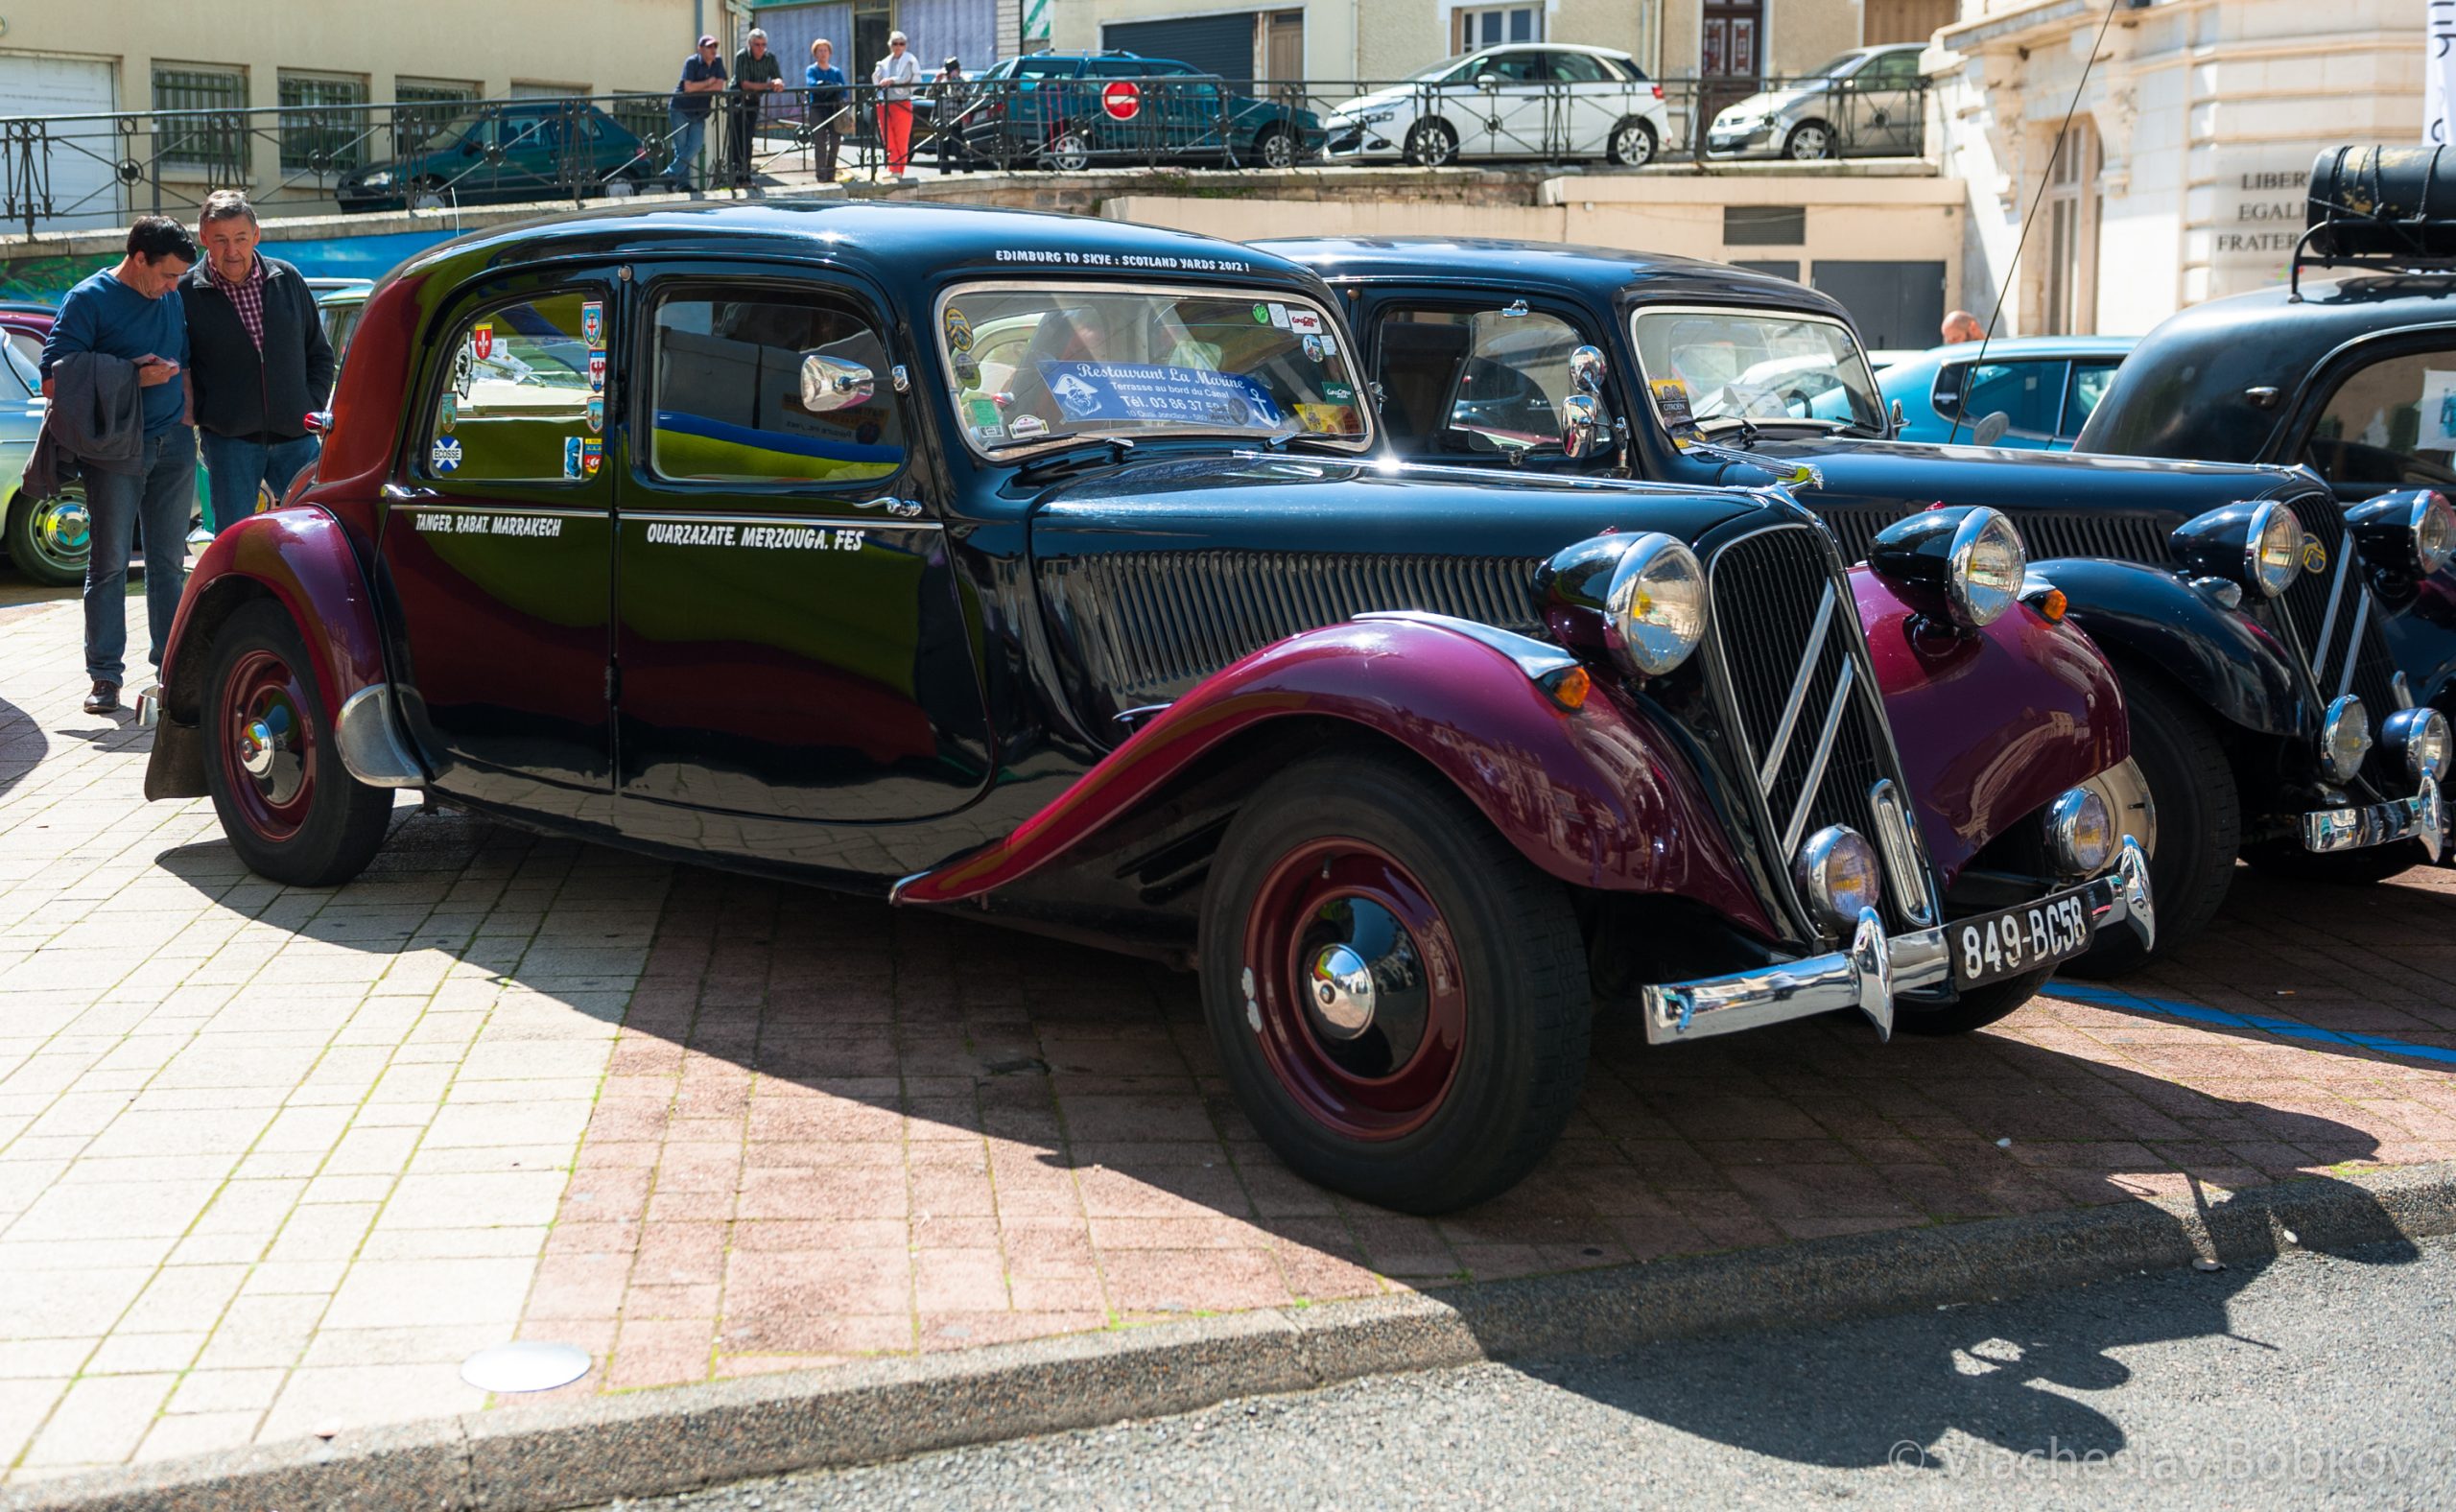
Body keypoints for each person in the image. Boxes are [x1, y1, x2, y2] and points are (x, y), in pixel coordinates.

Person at [38, 216, 196, 717]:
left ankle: (171, 670)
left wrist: (187, 421)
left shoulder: (169, 294)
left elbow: (184, 363)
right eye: (167, 275)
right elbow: (53, 381)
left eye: (179, 277)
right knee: (108, 564)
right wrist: (131, 377)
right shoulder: (88, 299)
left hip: (174, 443)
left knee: (169, 563)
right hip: (115, 451)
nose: (174, 286)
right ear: (138, 258)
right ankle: (105, 676)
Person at [179, 191, 334, 539]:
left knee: (318, 531)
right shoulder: (186, 292)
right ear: (204, 238)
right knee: (234, 540)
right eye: (220, 240)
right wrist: (208, 415)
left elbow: (320, 354)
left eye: (240, 238)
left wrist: (308, 405)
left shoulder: (287, 278)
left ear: (256, 235)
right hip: (229, 443)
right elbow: (181, 365)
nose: (232, 250)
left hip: (297, 438)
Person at [669, 35, 728, 191]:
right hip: (680, 108)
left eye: (715, 46)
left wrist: (699, 86)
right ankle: (683, 185)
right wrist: (708, 82)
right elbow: (688, 88)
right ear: (700, 49)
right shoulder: (692, 62)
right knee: (682, 148)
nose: (713, 49)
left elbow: (719, 87)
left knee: (695, 146)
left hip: (699, 112)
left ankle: (670, 173)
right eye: (709, 46)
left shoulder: (718, 62)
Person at [728, 27, 787, 188]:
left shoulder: (769, 57)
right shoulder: (742, 56)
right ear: (749, 44)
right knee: (737, 139)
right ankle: (736, 179)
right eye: (757, 44)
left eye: (763, 44)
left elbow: (777, 76)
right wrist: (768, 85)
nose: (761, 48)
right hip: (737, 99)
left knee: (748, 138)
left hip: (754, 100)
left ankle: (746, 177)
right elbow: (744, 84)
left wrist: (778, 82)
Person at [873, 30, 922, 178]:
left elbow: (906, 77)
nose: (898, 46)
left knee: (901, 139)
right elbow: (877, 78)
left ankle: (899, 171)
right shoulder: (884, 62)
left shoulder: (910, 60)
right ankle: (893, 168)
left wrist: (891, 80)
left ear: (905, 45)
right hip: (884, 103)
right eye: (895, 43)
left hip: (902, 103)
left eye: (901, 43)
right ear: (890, 45)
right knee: (887, 138)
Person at [805, 37, 847, 181]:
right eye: (820, 51)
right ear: (815, 53)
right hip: (817, 108)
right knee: (820, 142)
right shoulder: (812, 69)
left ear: (830, 53)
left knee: (835, 141)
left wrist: (826, 86)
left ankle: (831, 173)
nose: (823, 54)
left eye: (825, 50)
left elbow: (843, 90)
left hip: (834, 108)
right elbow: (812, 85)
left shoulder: (836, 71)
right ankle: (821, 175)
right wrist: (829, 86)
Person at [933, 58, 969, 174]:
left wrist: (955, 80)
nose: (948, 75)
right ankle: (944, 175)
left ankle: (968, 173)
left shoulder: (962, 82)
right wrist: (936, 81)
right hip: (942, 123)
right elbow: (929, 95)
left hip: (956, 123)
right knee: (942, 154)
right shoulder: (942, 82)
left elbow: (963, 96)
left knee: (959, 151)